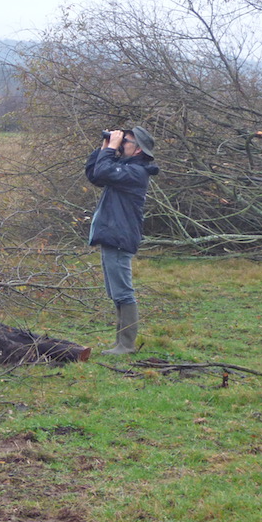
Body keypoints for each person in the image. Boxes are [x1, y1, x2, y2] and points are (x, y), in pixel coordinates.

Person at [84, 126, 159, 355]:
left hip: (119, 235)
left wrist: (110, 150)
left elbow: (105, 172)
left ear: (137, 150)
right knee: (115, 292)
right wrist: (104, 148)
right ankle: (121, 344)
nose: (121, 143)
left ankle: (126, 345)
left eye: (125, 141)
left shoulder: (137, 172)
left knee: (123, 292)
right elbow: (95, 174)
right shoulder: (126, 167)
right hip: (113, 235)